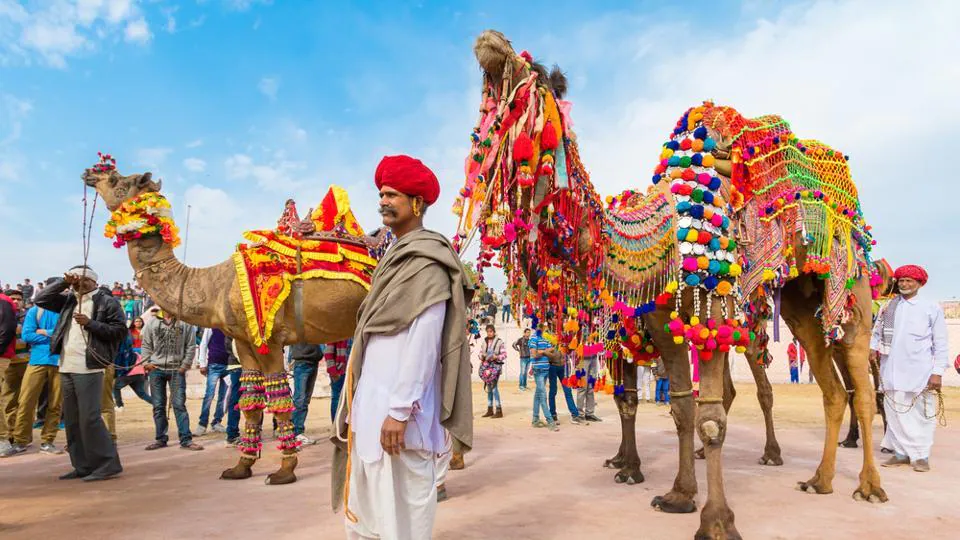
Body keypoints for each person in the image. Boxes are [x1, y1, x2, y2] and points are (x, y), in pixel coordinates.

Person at [332, 154, 473, 540]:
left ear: (418, 203)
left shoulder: (426, 262)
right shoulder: (392, 259)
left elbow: (424, 344)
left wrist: (398, 411)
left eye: (392, 194)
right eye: (381, 193)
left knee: (401, 522)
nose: (383, 201)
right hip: (370, 412)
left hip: (400, 419)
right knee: (369, 518)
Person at [32, 266, 124, 480]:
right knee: (72, 420)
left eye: (81, 280)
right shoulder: (68, 299)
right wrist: (64, 283)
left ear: (93, 281)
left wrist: (91, 324)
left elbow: (119, 331)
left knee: (90, 418)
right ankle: (82, 465)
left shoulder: (106, 301)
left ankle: (107, 464)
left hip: (89, 366)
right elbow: (41, 299)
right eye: (74, 280)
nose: (77, 284)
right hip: (66, 366)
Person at [872, 265, 948, 473]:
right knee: (894, 412)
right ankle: (900, 453)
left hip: (920, 371)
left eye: (909, 281)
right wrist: (872, 349)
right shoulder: (887, 307)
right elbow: (876, 333)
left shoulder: (930, 308)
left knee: (921, 414)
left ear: (919, 284)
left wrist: (938, 372)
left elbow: (940, 343)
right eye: (902, 281)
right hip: (891, 370)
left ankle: (921, 455)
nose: (904, 284)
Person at [6, 298, 63, 456]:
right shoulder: (35, 311)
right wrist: (54, 335)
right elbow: (27, 335)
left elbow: (66, 335)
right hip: (37, 360)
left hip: (60, 361)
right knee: (26, 401)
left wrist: (44, 331)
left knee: (56, 403)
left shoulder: (66, 311)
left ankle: (48, 440)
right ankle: (20, 440)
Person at [141, 310, 203, 451]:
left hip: (177, 369)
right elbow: (146, 345)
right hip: (156, 369)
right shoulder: (152, 322)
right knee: (158, 406)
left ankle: (186, 440)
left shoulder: (185, 323)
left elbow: (191, 346)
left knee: (179, 405)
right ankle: (160, 439)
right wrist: (146, 363)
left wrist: (185, 365)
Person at [0, 289, 28, 455]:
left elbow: (26, 334)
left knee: (24, 401)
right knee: (9, 400)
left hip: (26, 362)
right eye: (13, 298)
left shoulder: (26, 315)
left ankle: (18, 438)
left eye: (19, 299)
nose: (16, 301)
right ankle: (9, 435)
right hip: (11, 363)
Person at [196, 328, 236, 435]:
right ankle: (202, 424)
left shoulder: (230, 327)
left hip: (229, 366)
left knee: (224, 397)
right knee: (209, 395)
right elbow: (203, 344)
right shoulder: (211, 326)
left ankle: (217, 422)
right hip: (214, 365)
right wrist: (202, 363)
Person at [288, 342, 323, 445]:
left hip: (313, 362)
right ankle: (296, 433)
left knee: (305, 400)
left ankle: (298, 432)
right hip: (302, 363)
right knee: (300, 399)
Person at [112, 324, 151, 408]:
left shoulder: (122, 351)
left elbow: (121, 362)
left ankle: (119, 405)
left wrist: (117, 374)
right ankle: (157, 404)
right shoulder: (135, 351)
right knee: (142, 393)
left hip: (129, 373)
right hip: (139, 373)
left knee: (115, 387)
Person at [527, 328, 558, 431]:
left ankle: (535, 419)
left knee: (538, 395)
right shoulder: (533, 338)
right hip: (538, 370)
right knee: (543, 395)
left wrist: (542, 351)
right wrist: (545, 351)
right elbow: (534, 354)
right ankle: (550, 421)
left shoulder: (545, 338)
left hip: (545, 369)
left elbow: (552, 352)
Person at [548, 346, 586, 425]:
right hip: (552, 367)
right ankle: (553, 414)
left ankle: (575, 415)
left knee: (568, 391)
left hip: (563, 367)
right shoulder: (548, 338)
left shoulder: (566, 336)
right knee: (553, 391)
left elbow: (571, 351)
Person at [478, 324, 506, 418]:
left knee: (494, 388)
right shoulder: (484, 342)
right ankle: (490, 409)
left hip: (495, 367)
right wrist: (481, 356)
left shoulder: (499, 342)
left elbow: (504, 355)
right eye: (488, 331)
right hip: (486, 368)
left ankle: (499, 410)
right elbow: (480, 352)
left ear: (494, 332)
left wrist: (496, 357)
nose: (489, 333)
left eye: (491, 331)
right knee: (489, 388)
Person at [324, 339, 350, 422]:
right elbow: (328, 352)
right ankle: (335, 428)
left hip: (353, 372)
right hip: (339, 372)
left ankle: (345, 428)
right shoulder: (338, 332)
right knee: (337, 398)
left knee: (351, 400)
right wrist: (332, 370)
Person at [577, 346, 602, 423]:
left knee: (591, 386)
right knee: (582, 386)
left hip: (593, 355)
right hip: (583, 357)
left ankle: (589, 413)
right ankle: (580, 414)